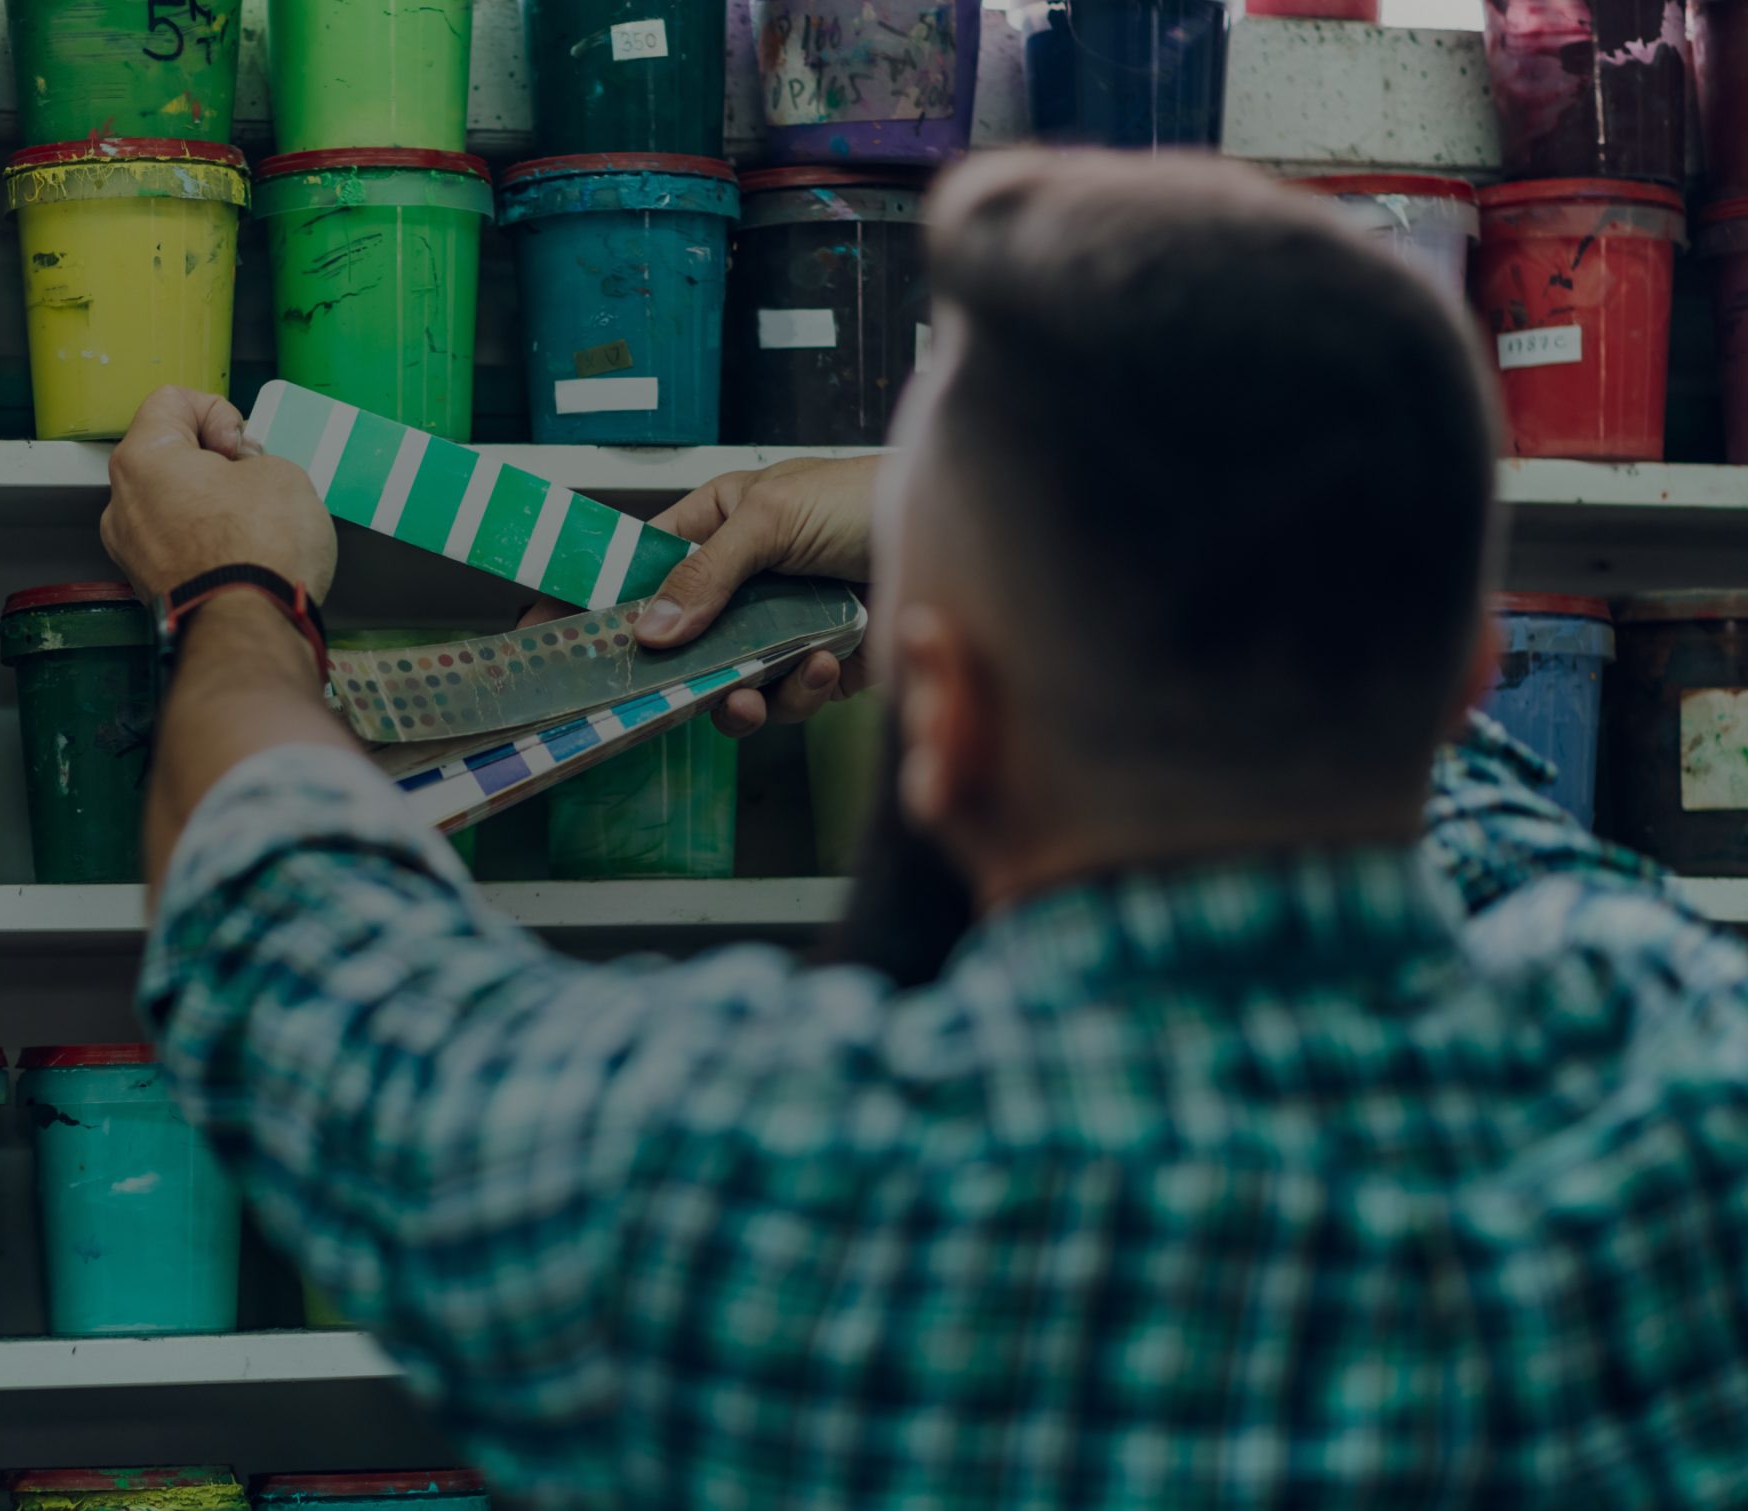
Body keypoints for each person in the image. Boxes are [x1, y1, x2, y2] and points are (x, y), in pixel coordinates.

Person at [96, 151, 1748, 1506]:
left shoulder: (765, 1198)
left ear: (937, 719)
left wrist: (234, 587)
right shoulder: (1686, 1080)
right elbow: (1459, 793)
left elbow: (280, 912)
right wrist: (1023, 553)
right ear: (1465, 669)